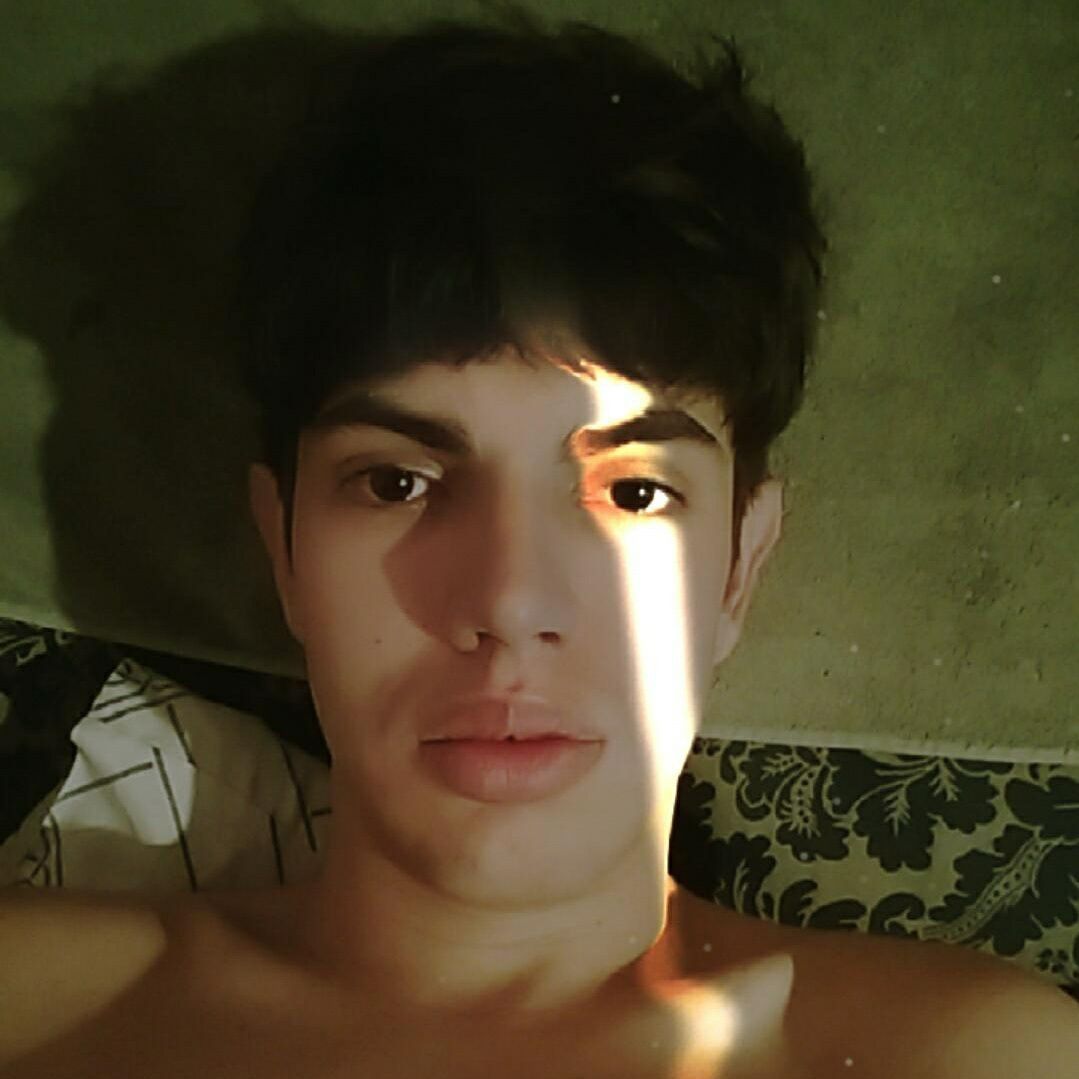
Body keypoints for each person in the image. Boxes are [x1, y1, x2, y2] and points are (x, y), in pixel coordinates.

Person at [1, 9, 1076, 1078]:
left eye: (634, 491)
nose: (510, 602)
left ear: (738, 569)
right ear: (282, 547)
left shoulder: (966, 1054)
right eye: (395, 481)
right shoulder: (35, 999)